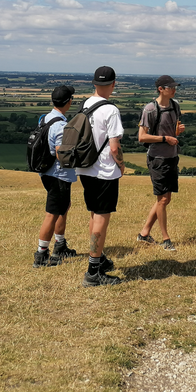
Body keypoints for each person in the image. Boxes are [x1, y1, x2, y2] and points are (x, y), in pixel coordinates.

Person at [77, 66, 125, 287]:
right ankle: (93, 272)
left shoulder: (85, 105)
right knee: (101, 219)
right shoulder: (111, 110)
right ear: (113, 84)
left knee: (94, 215)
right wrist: (122, 166)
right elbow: (115, 148)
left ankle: (99, 258)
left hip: (85, 169)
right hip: (105, 171)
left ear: (94, 84)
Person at [137, 75, 185, 251]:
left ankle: (144, 234)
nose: (174, 90)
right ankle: (166, 239)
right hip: (157, 158)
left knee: (165, 199)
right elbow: (142, 137)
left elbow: (174, 134)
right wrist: (166, 138)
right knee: (163, 199)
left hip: (172, 156)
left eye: (174, 87)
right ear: (160, 89)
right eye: (170, 87)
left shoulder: (175, 106)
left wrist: (177, 132)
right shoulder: (150, 109)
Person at [33, 85, 78, 268]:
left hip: (47, 171)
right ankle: (41, 255)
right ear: (69, 102)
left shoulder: (46, 118)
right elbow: (61, 153)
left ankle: (60, 245)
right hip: (58, 174)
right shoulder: (60, 125)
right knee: (52, 214)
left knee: (63, 208)